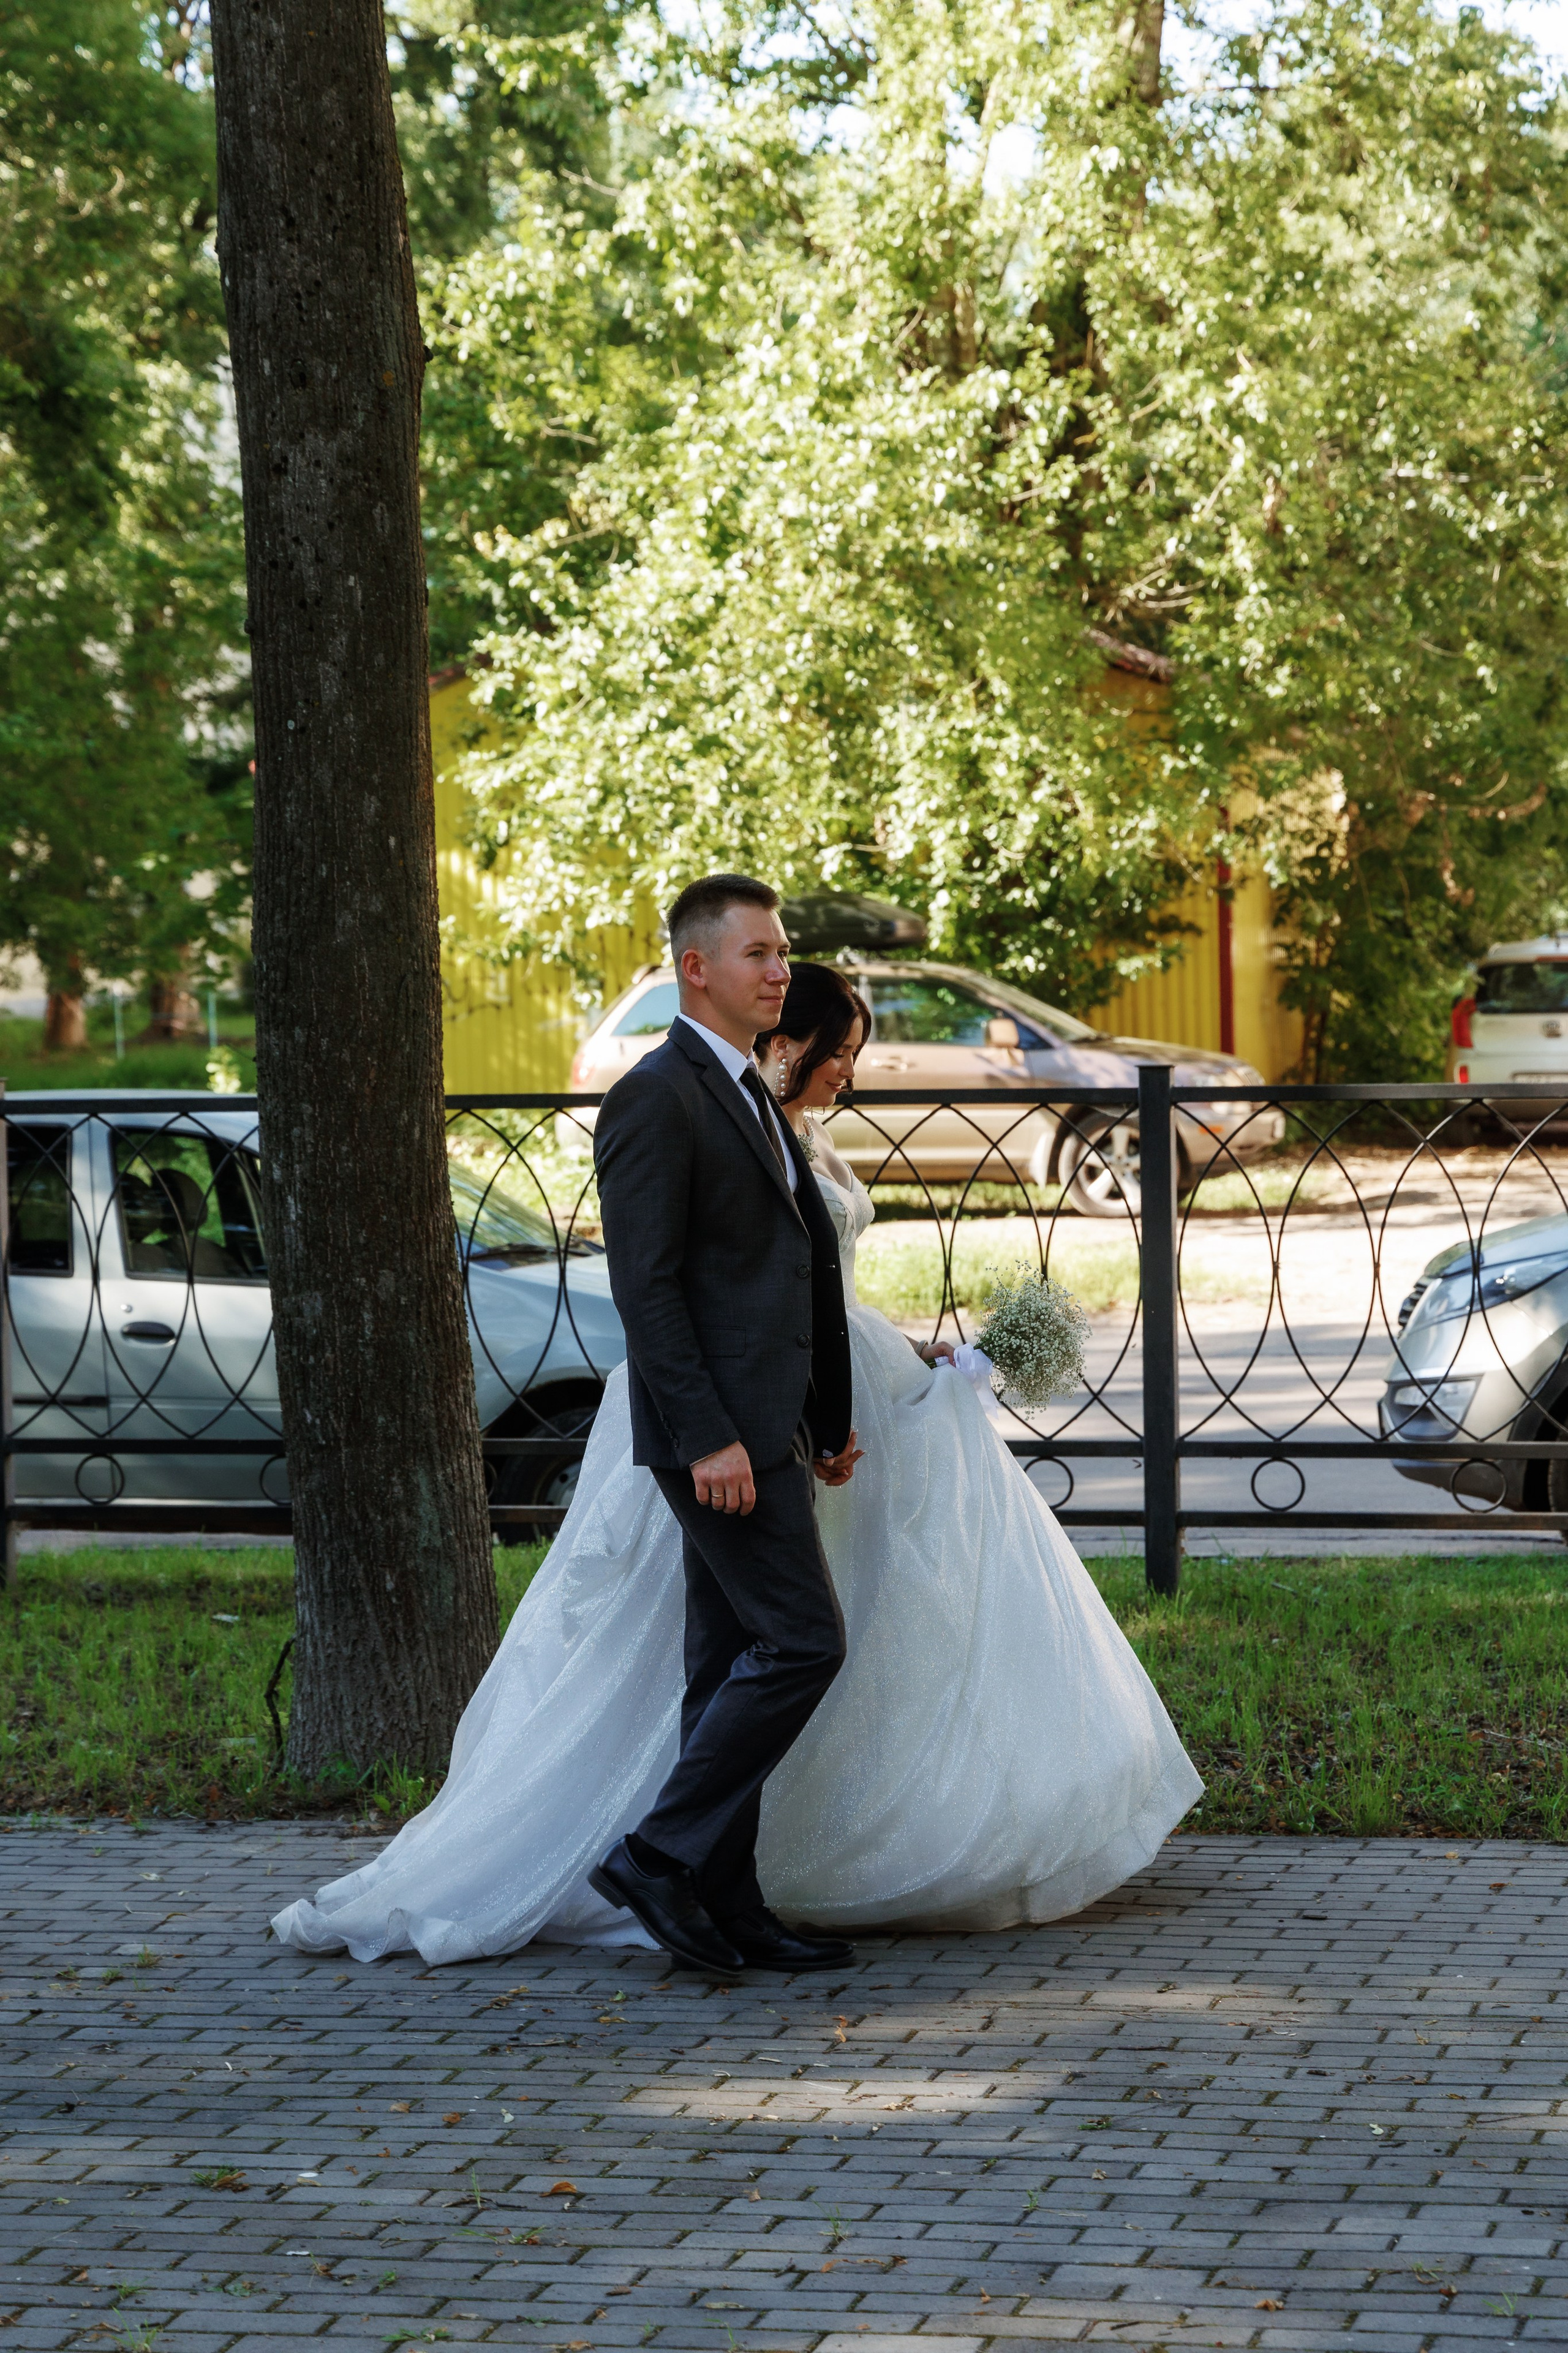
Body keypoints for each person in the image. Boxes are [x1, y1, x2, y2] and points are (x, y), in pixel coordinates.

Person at [270, 901, 1201, 1973]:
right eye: (759, 953)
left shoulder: (747, 1096)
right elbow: (650, 1290)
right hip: (714, 1441)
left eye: (783, 953)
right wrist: (708, 1436)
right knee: (805, 1641)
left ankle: (722, 1894)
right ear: (695, 966)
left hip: (774, 1428)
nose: (777, 969)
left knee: (721, 1670)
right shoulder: (656, 1097)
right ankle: (661, 1855)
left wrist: (827, 1420)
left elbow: (790, 1284)